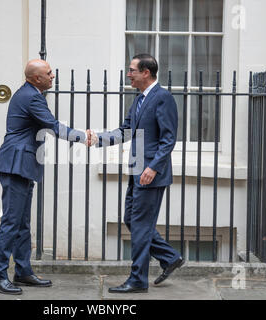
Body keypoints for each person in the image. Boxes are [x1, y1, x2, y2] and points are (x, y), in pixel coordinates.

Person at [0, 59, 89, 295]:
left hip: (22, 164)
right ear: (36, 78)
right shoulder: (32, 97)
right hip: (16, 164)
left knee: (22, 223)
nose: (53, 76)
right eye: (49, 73)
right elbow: (53, 126)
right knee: (12, 222)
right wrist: (84, 137)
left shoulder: (30, 93)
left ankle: (23, 272)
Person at [88, 54, 184, 293]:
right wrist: (97, 138)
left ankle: (138, 280)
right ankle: (170, 257)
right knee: (131, 220)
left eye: (132, 70)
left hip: (150, 173)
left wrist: (153, 167)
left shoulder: (163, 98)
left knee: (140, 225)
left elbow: (168, 139)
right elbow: (125, 131)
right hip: (136, 170)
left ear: (146, 73)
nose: (128, 74)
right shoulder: (140, 99)